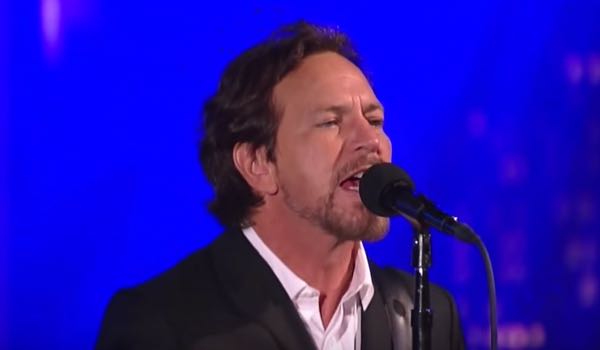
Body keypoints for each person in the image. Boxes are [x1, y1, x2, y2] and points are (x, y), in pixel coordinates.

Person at [95, 21, 465, 350]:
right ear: (258, 164)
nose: (371, 141)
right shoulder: (159, 323)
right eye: (330, 122)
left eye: (374, 119)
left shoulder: (427, 313)